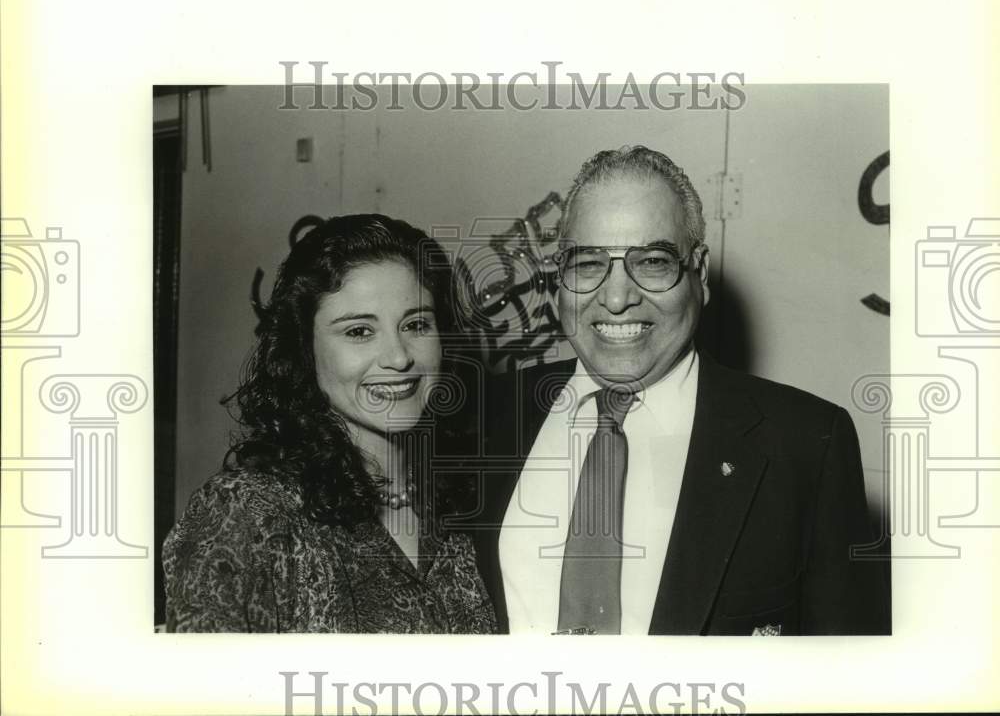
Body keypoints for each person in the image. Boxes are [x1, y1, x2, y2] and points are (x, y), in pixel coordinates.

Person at [471, 145, 890, 636]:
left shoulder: (805, 444)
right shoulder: (486, 416)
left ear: (700, 274)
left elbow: (843, 671)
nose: (616, 297)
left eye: (651, 262)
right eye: (587, 264)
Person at [162, 214, 496, 633]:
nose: (398, 357)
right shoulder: (248, 513)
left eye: (415, 325)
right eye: (359, 331)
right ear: (305, 349)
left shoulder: (464, 507)